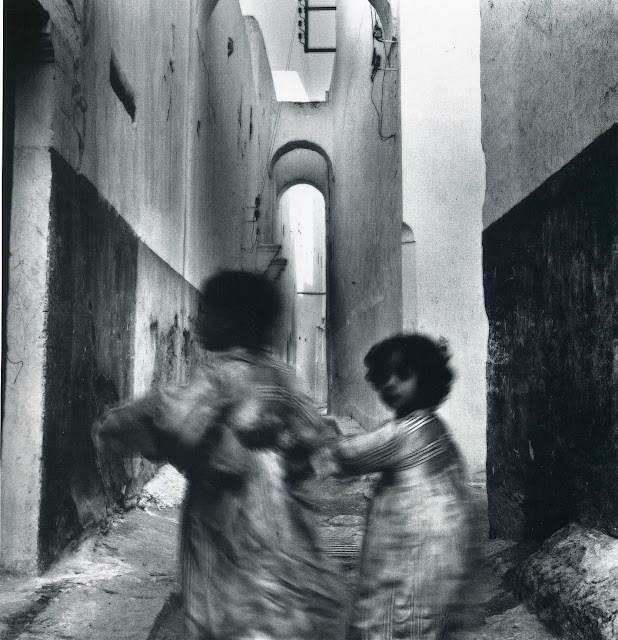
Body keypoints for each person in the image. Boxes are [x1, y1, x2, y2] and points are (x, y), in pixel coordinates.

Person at [93, 270, 339, 640]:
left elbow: (175, 422)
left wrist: (115, 425)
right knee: (276, 601)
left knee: (222, 606)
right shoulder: (285, 376)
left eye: (205, 312)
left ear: (231, 321)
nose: (197, 321)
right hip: (283, 514)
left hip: (222, 513)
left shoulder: (220, 376)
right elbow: (317, 439)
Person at [319, 334, 477, 640]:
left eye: (403, 374)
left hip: (411, 544)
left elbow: (348, 455)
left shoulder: (406, 431)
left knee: (396, 615)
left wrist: (313, 438)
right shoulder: (434, 426)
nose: (390, 383)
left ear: (426, 378)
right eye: (383, 376)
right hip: (439, 547)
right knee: (422, 616)